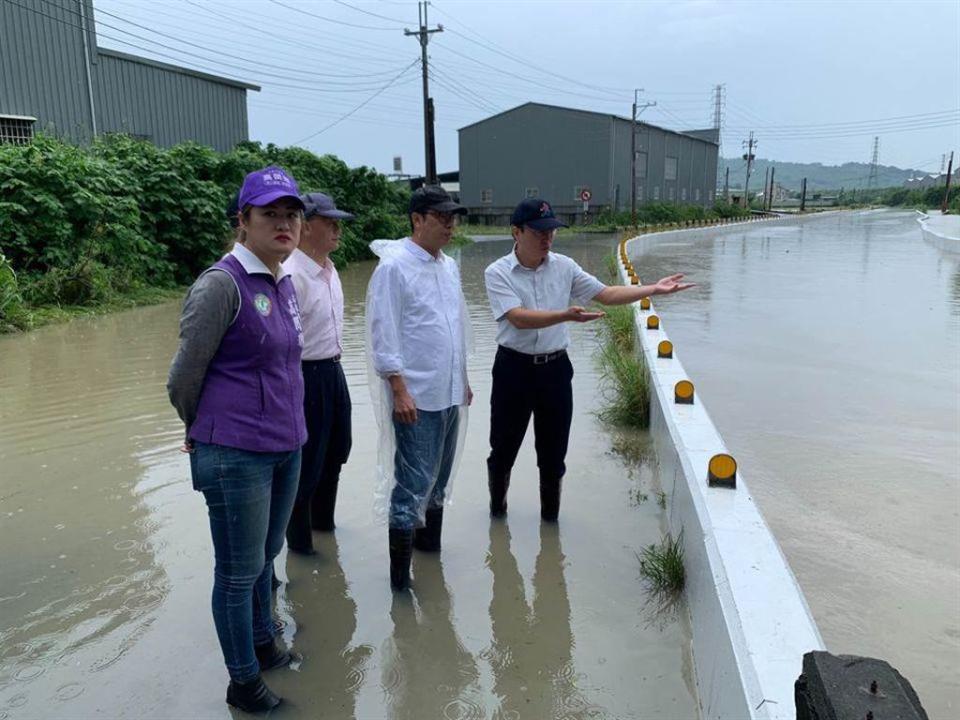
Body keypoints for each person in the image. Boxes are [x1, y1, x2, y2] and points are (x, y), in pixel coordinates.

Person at [167, 166, 307, 713]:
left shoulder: (283, 278)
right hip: (235, 455)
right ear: (242, 220)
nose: (284, 223)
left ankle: (264, 644)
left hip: (284, 445)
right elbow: (183, 376)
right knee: (236, 572)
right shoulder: (221, 284)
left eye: (291, 213)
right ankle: (243, 683)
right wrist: (202, 431)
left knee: (265, 556)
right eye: (270, 213)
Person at [483, 197, 693, 522]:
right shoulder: (497, 272)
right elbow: (518, 318)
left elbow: (606, 294)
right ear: (516, 232)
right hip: (513, 370)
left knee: (553, 455)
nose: (546, 238)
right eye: (538, 231)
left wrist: (653, 288)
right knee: (503, 450)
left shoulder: (565, 267)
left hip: (554, 371)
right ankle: (497, 515)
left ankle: (549, 524)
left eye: (551, 231)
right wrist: (564, 315)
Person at [367, 185, 472, 591]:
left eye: (453, 218)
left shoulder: (447, 265)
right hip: (417, 397)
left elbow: (454, 326)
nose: (450, 225)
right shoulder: (394, 268)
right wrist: (398, 388)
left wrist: (462, 379)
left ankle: (431, 558)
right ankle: (400, 583)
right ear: (417, 220)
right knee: (411, 487)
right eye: (441, 217)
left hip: (448, 393)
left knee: (439, 483)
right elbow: (384, 332)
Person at [282, 192, 355, 554]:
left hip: (334, 372)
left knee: (337, 452)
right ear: (306, 225)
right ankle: (301, 548)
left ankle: (324, 526)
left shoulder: (329, 268)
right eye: (331, 223)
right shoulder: (291, 275)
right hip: (304, 377)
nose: (338, 230)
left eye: (339, 223)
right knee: (306, 466)